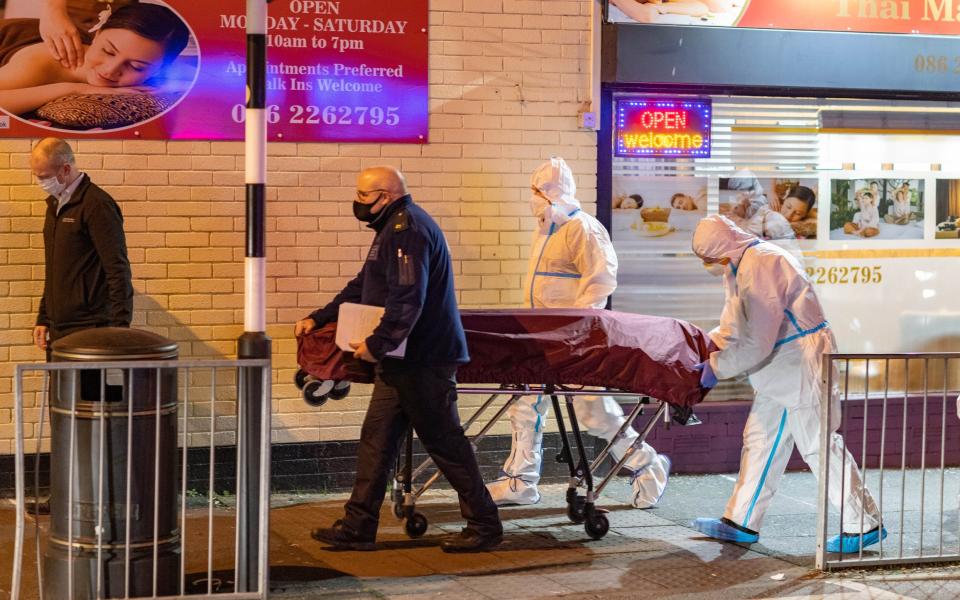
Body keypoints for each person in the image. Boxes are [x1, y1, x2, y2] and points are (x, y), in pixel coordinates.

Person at [298, 167, 502, 553]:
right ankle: (358, 526)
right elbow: (363, 286)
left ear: (386, 196)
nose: (357, 204)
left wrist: (377, 344)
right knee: (377, 440)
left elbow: (408, 299)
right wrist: (320, 316)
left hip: (422, 360)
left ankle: (485, 525)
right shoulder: (390, 230)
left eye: (363, 197)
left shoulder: (407, 231)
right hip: (401, 361)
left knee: (445, 444)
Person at [690, 215, 885, 554]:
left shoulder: (763, 264)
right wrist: (703, 344)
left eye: (709, 258)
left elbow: (757, 341)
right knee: (761, 439)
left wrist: (715, 368)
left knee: (817, 443)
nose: (709, 265)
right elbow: (734, 325)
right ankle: (741, 520)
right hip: (781, 364)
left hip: (801, 360)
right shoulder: (739, 265)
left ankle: (864, 523)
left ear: (722, 249)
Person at [486, 157, 671, 508]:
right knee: (525, 405)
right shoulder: (546, 231)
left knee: (594, 413)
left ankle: (648, 465)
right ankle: (520, 480)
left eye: (536, 190)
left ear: (550, 192)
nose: (532, 198)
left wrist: (580, 332)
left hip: (570, 341)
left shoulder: (582, 228)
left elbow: (600, 280)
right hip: (543, 338)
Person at [32, 137, 133, 354]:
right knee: (61, 390)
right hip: (59, 329)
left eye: (44, 177)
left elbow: (118, 269)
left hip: (91, 328)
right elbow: (56, 270)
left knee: (89, 390)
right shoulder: (56, 205)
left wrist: (119, 331)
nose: (40, 182)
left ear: (65, 169)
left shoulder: (97, 205)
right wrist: (44, 317)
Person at [0, 2, 188, 115]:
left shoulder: (158, 73)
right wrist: (73, 89)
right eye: (108, 51)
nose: (109, 70)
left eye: (136, 67)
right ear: (96, 35)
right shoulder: (43, 62)